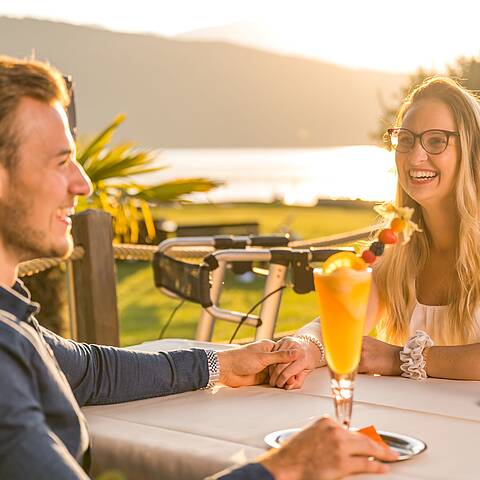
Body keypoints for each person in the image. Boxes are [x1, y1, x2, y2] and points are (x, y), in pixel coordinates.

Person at [0, 55, 397, 480]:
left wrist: (223, 365)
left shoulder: (12, 315)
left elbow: (91, 372)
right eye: (61, 162)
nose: (83, 183)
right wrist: (287, 468)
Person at [269, 76, 480, 390]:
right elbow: (343, 319)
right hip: (412, 429)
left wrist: (398, 359)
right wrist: (305, 346)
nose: (415, 156)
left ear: (472, 151)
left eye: (436, 141)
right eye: (406, 139)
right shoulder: (395, 252)